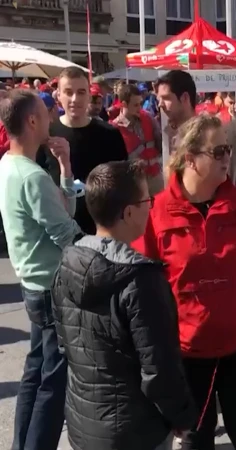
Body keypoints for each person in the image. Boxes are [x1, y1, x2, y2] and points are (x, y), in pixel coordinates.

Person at [132, 115, 236, 450]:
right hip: (187, 355)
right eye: (219, 151)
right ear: (190, 158)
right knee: (196, 440)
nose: (228, 158)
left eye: (228, 150)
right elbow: (142, 288)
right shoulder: (157, 212)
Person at [52, 161, 197, 450]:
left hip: (84, 426)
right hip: (135, 432)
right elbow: (159, 371)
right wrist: (183, 418)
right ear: (129, 212)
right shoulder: (141, 280)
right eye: (147, 200)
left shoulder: (66, 265)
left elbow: (65, 344)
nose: (151, 207)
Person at [0, 89, 82, 450]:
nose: (53, 118)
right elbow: (68, 231)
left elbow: (64, 214)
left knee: (36, 374)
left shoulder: (9, 164)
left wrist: (65, 169)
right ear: (32, 121)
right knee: (54, 382)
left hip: (33, 284)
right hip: (50, 287)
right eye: (47, 113)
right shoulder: (31, 176)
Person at [46, 66, 128, 234]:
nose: (75, 99)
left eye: (81, 92)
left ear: (89, 96)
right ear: (58, 96)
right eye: (68, 92)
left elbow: (122, 184)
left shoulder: (109, 135)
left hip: (101, 230)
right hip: (58, 231)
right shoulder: (46, 136)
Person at [111, 83, 164, 195]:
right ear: (124, 104)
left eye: (140, 103)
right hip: (134, 182)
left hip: (155, 177)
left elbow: (160, 143)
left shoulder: (148, 118)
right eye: (135, 105)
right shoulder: (114, 128)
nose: (140, 108)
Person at [155, 70, 198, 153]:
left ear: (185, 98)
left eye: (166, 98)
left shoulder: (205, 136)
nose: (160, 104)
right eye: (159, 99)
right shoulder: (169, 133)